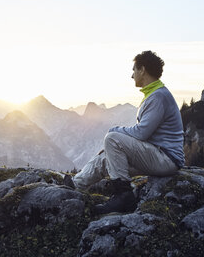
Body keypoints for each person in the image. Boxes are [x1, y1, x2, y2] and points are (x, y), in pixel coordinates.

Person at [64, 51, 184, 214]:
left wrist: (115, 131)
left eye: (134, 70)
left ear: (142, 70)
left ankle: (123, 197)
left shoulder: (158, 97)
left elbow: (141, 133)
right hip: (157, 155)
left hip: (166, 159)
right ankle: (75, 185)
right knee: (107, 158)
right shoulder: (154, 94)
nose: (132, 75)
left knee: (113, 138)